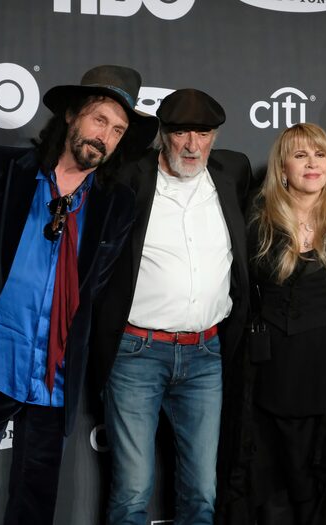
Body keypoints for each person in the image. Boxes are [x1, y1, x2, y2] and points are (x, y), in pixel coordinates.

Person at [0, 64, 158, 525]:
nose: (105, 137)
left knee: (37, 496)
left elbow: (100, 286)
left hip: (55, 369)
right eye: (99, 119)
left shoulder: (116, 205)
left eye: (117, 130)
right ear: (72, 115)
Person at [89, 88, 253, 525]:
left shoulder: (233, 171)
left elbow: (294, 200)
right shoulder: (129, 175)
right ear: (163, 134)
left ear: (215, 136)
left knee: (202, 491)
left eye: (203, 133)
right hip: (136, 353)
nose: (192, 145)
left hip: (206, 355)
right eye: (181, 133)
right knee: (132, 491)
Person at [216, 123, 326, 525]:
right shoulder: (254, 217)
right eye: (301, 155)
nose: (312, 163)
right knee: (268, 479)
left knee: (318, 477)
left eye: (320, 154)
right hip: (265, 369)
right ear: (282, 168)